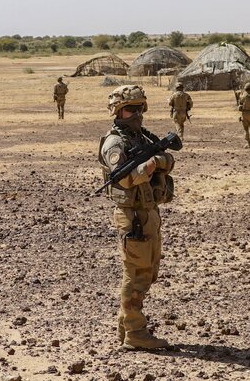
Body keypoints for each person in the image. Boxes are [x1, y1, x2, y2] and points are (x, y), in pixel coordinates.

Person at [98, 85, 176, 350]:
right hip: (132, 217)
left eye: (140, 108)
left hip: (149, 212)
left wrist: (158, 160)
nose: (137, 114)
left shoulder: (141, 137)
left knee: (149, 272)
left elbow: (168, 158)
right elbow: (127, 177)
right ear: (118, 112)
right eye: (131, 109)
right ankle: (135, 333)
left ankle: (126, 327)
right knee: (136, 274)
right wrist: (150, 164)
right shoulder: (115, 143)